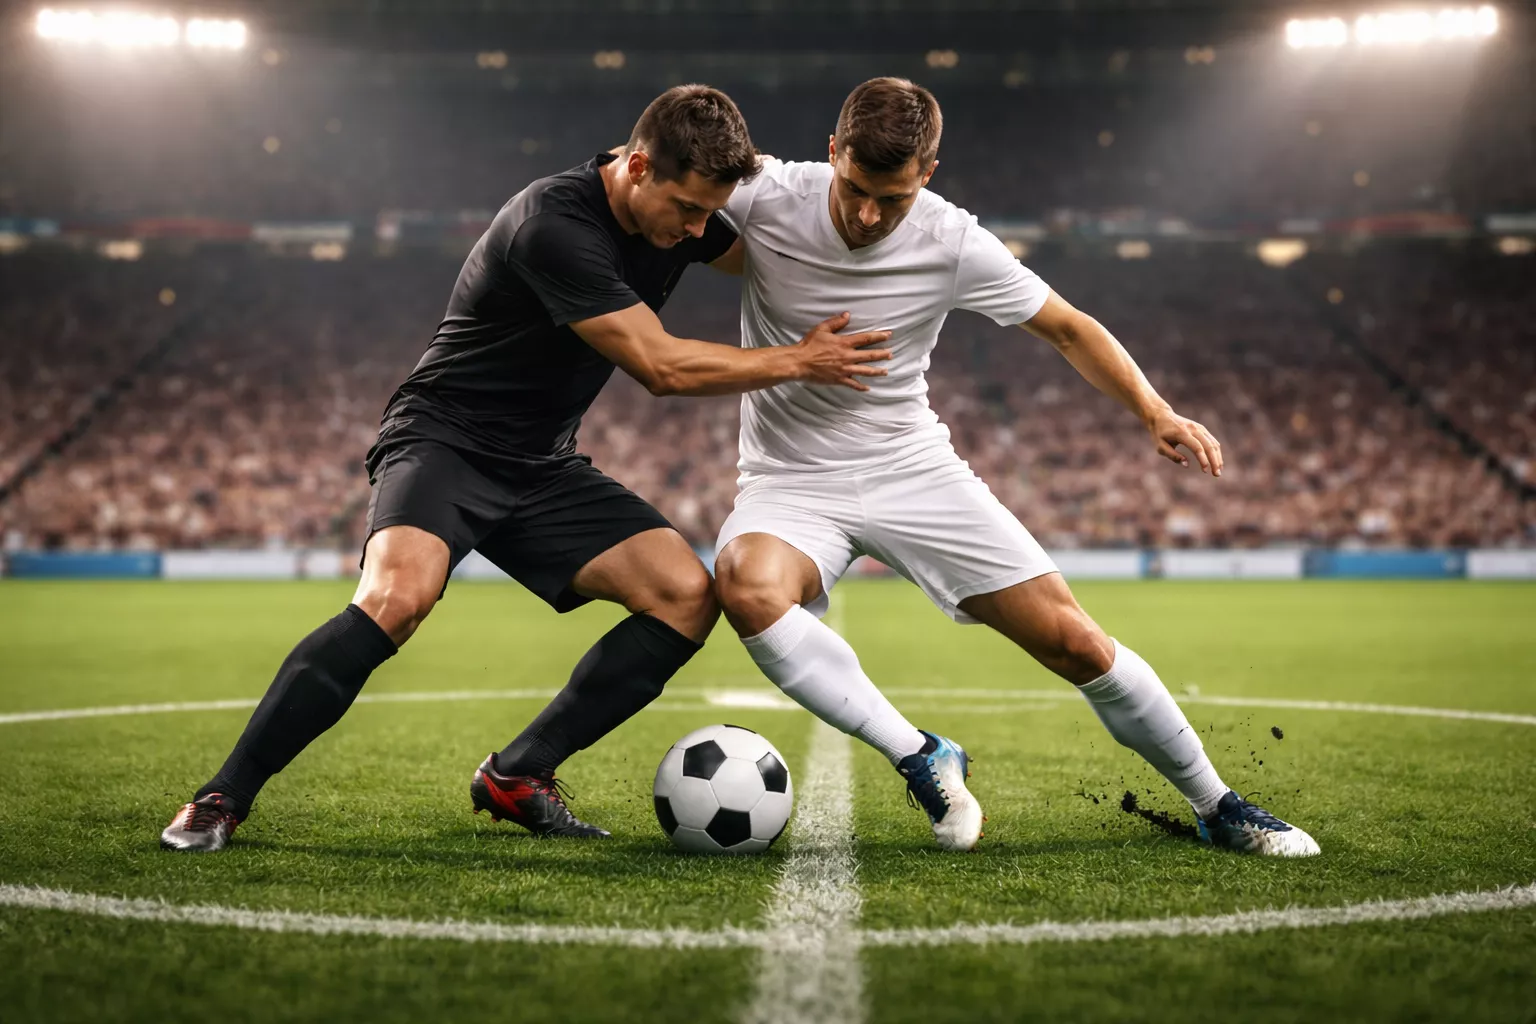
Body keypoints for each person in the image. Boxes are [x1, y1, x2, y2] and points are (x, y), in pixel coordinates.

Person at [161, 84, 893, 852]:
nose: (697, 230)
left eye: (709, 213)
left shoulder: (680, 214)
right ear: (638, 166)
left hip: (541, 463)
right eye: (686, 209)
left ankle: (519, 773)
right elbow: (661, 367)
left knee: (684, 595)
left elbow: (775, 254)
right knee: (396, 598)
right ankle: (220, 798)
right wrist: (801, 360)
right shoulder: (554, 225)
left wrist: (878, 232)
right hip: (446, 439)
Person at [708, 77, 1318, 856]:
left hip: (910, 466)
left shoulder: (953, 240)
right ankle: (920, 755)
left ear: (928, 174)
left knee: (1074, 642)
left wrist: (1155, 411)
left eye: (892, 199)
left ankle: (1217, 804)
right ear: (833, 152)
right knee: (747, 586)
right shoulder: (767, 193)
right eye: (855, 188)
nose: (867, 216)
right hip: (791, 479)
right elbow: (652, 166)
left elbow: (1068, 328)